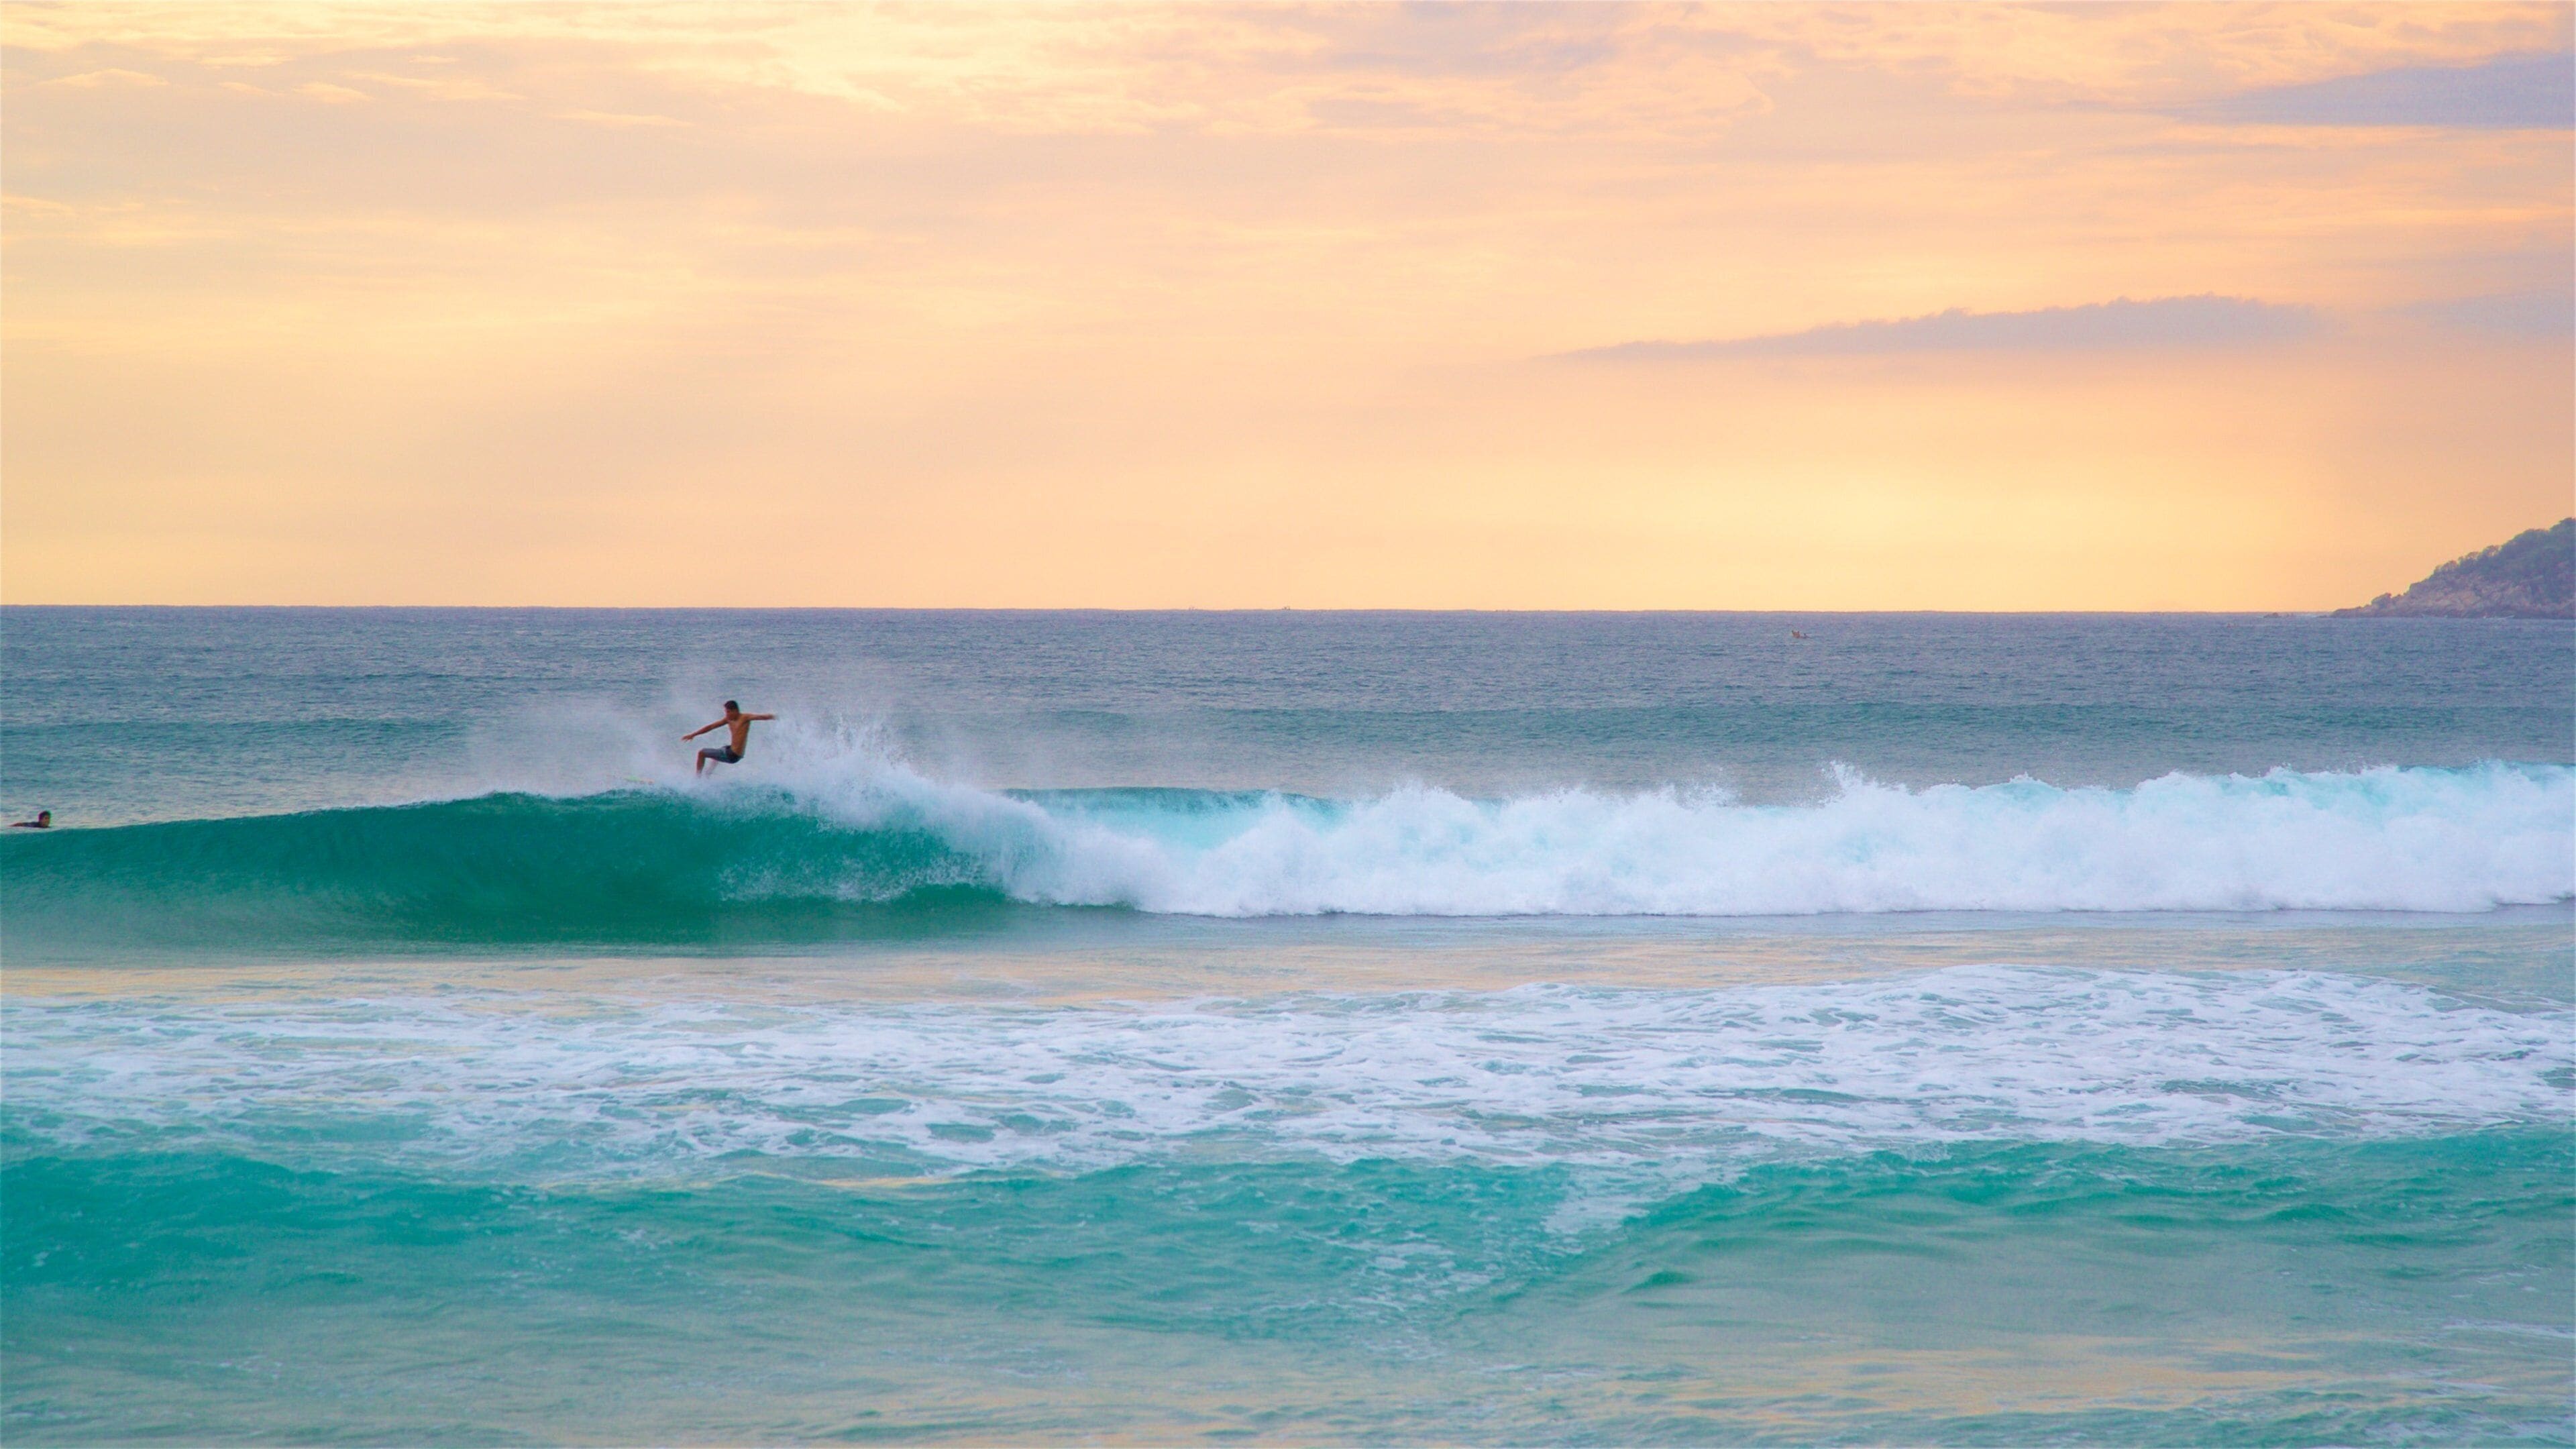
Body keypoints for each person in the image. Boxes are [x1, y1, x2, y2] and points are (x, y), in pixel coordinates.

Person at [683, 700, 773, 775]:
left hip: (732, 756)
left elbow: (761, 717)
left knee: (701, 753)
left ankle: (697, 779)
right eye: (726, 712)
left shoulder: (745, 718)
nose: (727, 715)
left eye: (728, 712)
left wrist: (775, 717)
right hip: (730, 751)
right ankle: (709, 773)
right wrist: (693, 735)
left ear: (736, 711)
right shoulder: (728, 719)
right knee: (722, 748)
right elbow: (711, 727)